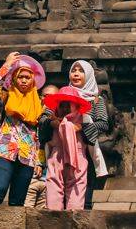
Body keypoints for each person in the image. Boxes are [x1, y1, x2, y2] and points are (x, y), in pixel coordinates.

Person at [0, 53, 48, 206]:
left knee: (18, 201)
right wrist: (7, 64)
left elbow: (41, 134)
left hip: (28, 155)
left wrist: (40, 161)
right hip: (5, 150)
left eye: (28, 77)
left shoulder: (40, 103)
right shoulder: (7, 96)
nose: (24, 80)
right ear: (14, 78)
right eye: (21, 77)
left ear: (33, 80)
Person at [68, 60, 111, 207]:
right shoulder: (64, 97)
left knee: (85, 193)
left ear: (89, 75)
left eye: (81, 71)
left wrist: (82, 126)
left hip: (86, 147)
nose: (76, 73)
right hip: (65, 147)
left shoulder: (95, 100)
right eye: (74, 70)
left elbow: (103, 123)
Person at [43, 86, 92, 209]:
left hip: (78, 157)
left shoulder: (85, 120)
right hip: (56, 156)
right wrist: (51, 123)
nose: (64, 109)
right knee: (53, 187)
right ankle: (53, 220)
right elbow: (42, 132)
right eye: (62, 105)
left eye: (68, 105)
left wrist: (81, 127)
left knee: (77, 189)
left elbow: (95, 134)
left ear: (75, 106)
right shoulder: (51, 120)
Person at [24, 84, 57, 209]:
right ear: (40, 97)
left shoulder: (59, 121)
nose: (48, 100)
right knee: (25, 210)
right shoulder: (30, 116)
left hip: (49, 177)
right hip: (30, 174)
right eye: (45, 96)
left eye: (53, 97)